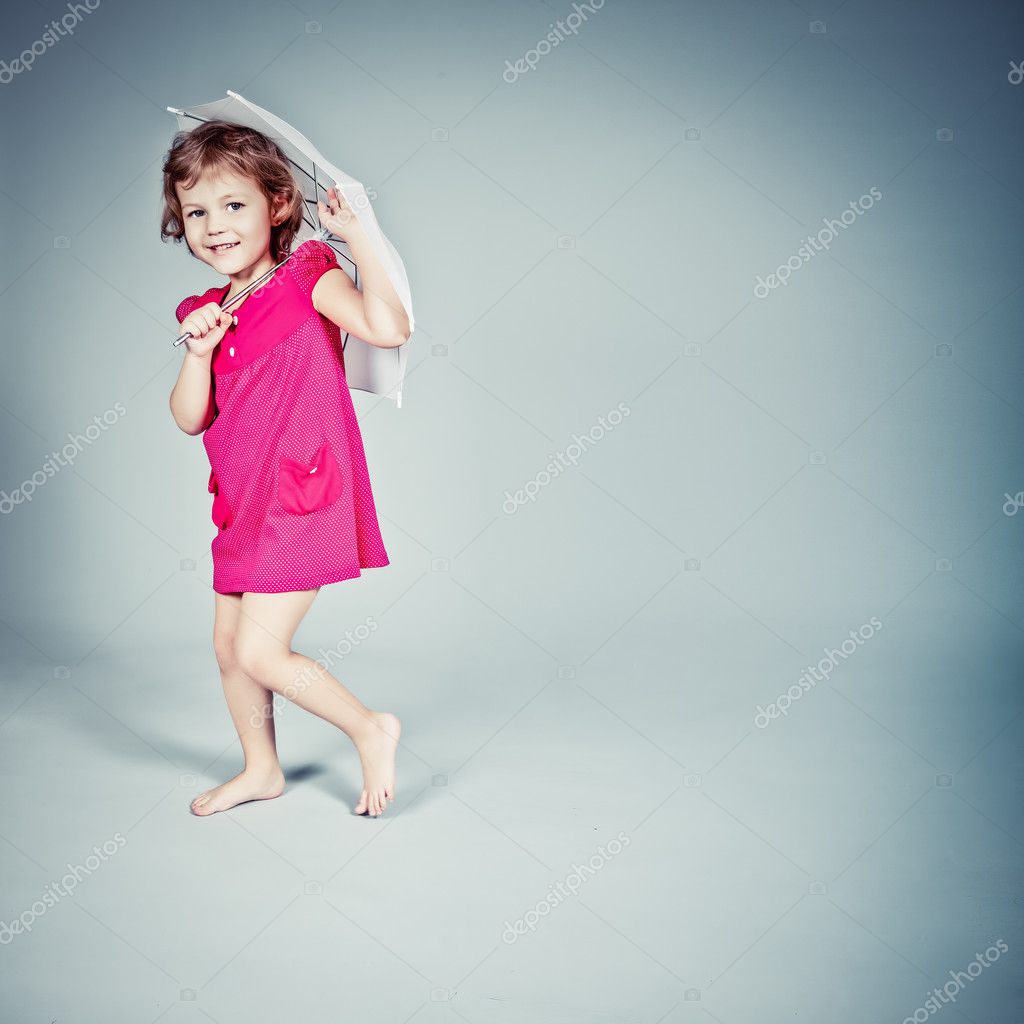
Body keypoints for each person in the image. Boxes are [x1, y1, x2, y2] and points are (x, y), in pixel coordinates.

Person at [161, 120, 410, 818]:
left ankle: (371, 728)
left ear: (277, 204)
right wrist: (198, 353)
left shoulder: (306, 277)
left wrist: (356, 236)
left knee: (264, 652)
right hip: (243, 500)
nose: (214, 225)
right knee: (229, 647)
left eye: (233, 205)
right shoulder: (204, 311)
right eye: (197, 211)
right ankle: (262, 768)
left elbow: (388, 328)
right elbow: (188, 417)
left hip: (303, 495)